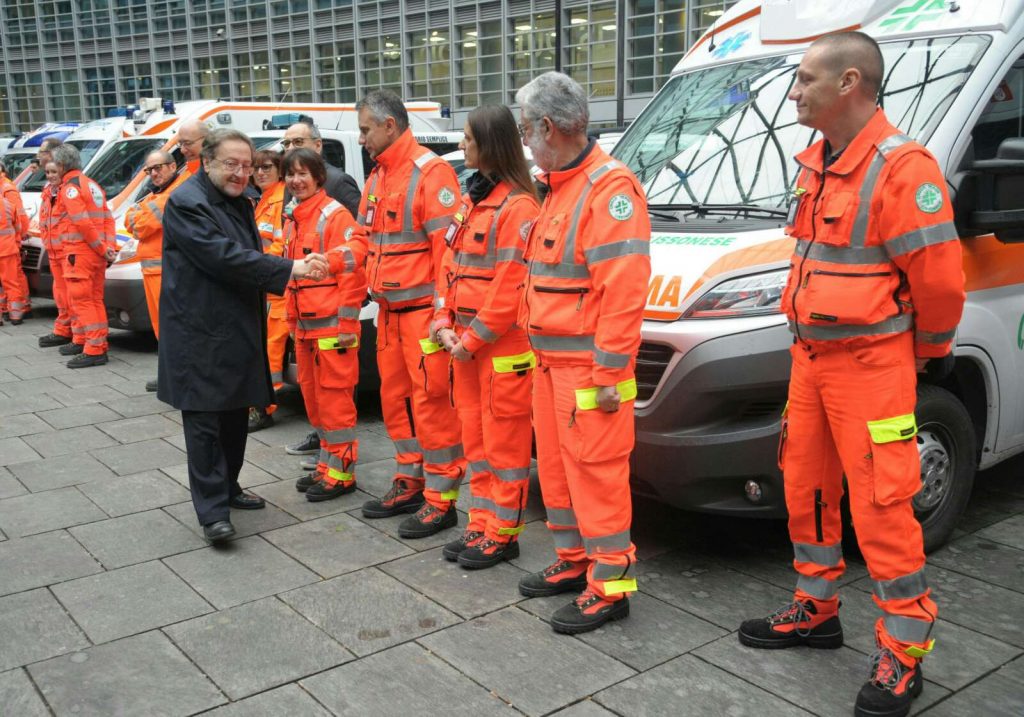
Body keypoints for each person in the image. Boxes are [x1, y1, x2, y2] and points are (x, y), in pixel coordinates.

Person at [737, 32, 965, 717]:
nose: (793, 91)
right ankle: (816, 607)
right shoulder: (820, 162)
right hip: (812, 361)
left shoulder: (904, 168)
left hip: (872, 367)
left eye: (805, 79)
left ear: (851, 83)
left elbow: (942, 282)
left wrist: (923, 349)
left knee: (883, 505)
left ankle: (904, 648)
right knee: (806, 486)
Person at [514, 72, 651, 634]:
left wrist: (607, 378)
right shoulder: (564, 185)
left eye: (526, 130)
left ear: (548, 127)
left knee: (596, 476)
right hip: (553, 365)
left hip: (587, 371)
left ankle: (610, 585)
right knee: (560, 474)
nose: (524, 142)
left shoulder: (607, 189)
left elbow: (623, 293)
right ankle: (575, 563)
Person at [159, 128, 329, 542]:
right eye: (231, 165)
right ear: (208, 162)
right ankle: (212, 512)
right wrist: (290, 270)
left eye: (247, 166)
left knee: (235, 416)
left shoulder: (238, 200)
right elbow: (224, 258)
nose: (241, 173)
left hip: (234, 329)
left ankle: (229, 487)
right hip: (198, 335)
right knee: (204, 426)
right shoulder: (186, 202)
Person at [353, 89, 466, 538]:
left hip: (421, 315)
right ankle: (410, 479)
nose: (361, 139)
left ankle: (441, 500)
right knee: (395, 401)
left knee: (432, 404)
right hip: (389, 315)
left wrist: (443, 316)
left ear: (389, 126)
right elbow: (364, 239)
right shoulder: (379, 177)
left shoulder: (430, 174)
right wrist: (339, 261)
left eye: (365, 130)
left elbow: (448, 255)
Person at [431, 105, 539, 569]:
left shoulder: (518, 206)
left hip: (500, 351)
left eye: (468, 140)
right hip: (468, 348)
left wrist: (467, 339)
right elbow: (448, 269)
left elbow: (511, 286)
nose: (461, 146)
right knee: (475, 442)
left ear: (490, 144)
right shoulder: (474, 199)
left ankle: (503, 533)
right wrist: (441, 321)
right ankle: (480, 523)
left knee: (504, 447)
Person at [282, 149, 368, 501]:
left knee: (335, 404)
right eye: (290, 174)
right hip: (305, 327)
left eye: (303, 173)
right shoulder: (294, 218)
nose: (296, 181)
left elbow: (355, 262)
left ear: (318, 176)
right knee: (315, 401)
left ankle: (342, 474)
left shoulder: (333, 215)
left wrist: (347, 323)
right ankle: (326, 466)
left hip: (332, 329)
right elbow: (291, 277)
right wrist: (291, 321)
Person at [124, 150, 188, 391]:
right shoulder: (158, 194)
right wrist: (139, 216)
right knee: (163, 330)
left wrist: (138, 216)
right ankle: (172, 375)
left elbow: (140, 225)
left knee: (173, 329)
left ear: (173, 166)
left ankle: (179, 378)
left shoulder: (174, 193)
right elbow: (130, 218)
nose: (154, 174)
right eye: (149, 170)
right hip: (154, 272)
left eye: (158, 167)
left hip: (168, 273)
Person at [48, 145, 117, 368]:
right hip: (94, 255)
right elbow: (107, 218)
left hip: (80, 253)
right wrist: (108, 248)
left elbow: (82, 222)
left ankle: (94, 349)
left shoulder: (71, 188)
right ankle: (97, 344)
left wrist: (100, 247)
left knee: (83, 301)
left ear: (60, 165)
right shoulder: (92, 185)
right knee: (95, 300)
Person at [248, 149, 287, 432]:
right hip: (264, 285)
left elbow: (279, 245)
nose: (260, 172)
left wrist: (256, 268)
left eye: (267, 167)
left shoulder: (280, 199)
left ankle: (264, 408)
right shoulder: (263, 199)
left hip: (276, 288)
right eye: (257, 168)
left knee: (271, 351)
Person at [281, 122, 361, 217]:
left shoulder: (339, 181)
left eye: (298, 142)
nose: (290, 148)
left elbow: (355, 225)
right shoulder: (291, 179)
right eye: (286, 143)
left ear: (318, 145)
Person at [37, 162, 74, 347]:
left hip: (66, 252)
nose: (50, 175)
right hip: (53, 251)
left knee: (71, 295)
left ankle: (76, 334)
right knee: (60, 294)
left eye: (54, 172)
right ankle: (63, 330)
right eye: (47, 172)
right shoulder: (48, 194)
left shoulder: (66, 192)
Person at [0, 159, 30, 325]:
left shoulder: (7, 189)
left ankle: (10, 310)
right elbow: (18, 222)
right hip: (8, 247)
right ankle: (16, 314)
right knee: (11, 282)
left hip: (9, 246)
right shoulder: (7, 203)